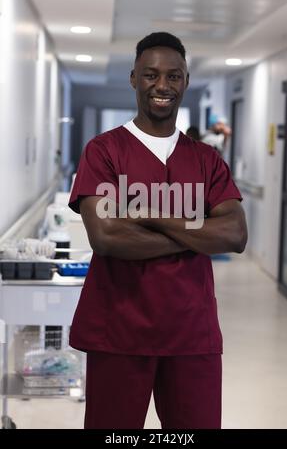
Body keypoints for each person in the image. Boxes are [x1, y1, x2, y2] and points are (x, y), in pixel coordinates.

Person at [68, 31, 248, 429]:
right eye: (150, 75)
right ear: (134, 78)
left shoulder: (206, 160)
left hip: (192, 333)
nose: (162, 86)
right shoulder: (104, 151)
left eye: (174, 76)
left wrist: (146, 213)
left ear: (184, 81)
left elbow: (234, 234)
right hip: (118, 331)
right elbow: (107, 237)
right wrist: (196, 234)